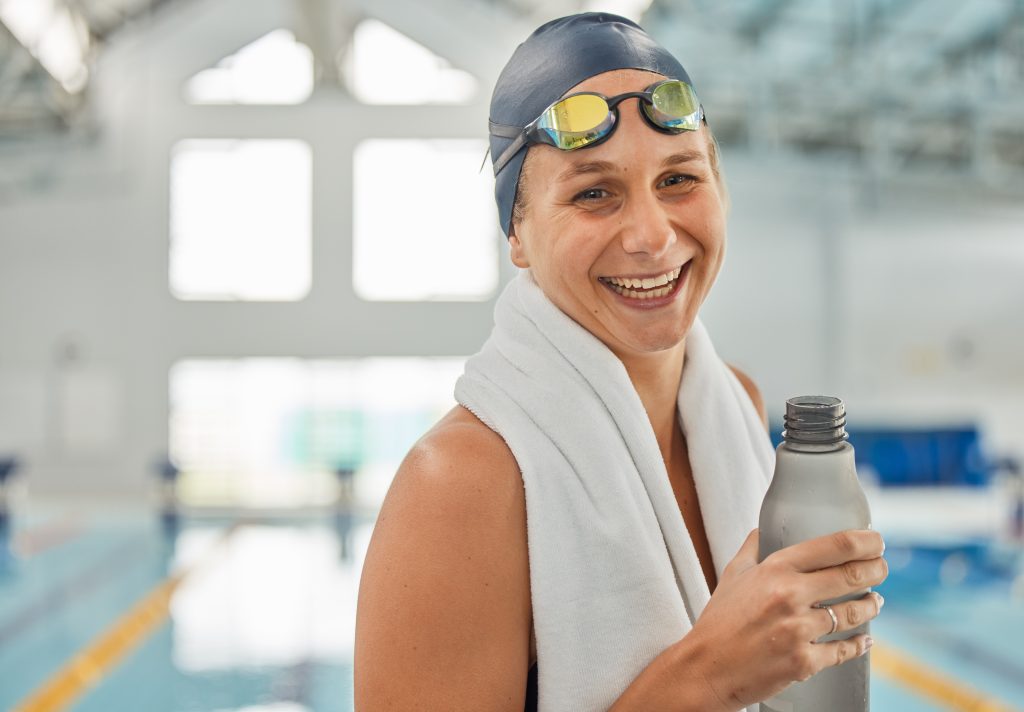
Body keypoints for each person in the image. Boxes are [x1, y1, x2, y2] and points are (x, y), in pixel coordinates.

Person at [354, 13, 887, 711]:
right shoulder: (460, 483)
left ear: (720, 189)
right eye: (593, 193)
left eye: (679, 179)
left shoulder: (737, 402)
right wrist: (711, 672)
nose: (652, 236)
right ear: (517, 232)